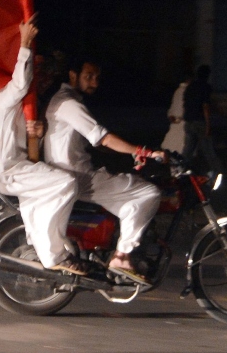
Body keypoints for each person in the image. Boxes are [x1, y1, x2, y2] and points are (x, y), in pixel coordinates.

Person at [0, 16, 86, 275]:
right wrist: (25, 41)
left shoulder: (22, 107)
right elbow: (21, 81)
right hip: (6, 170)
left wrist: (38, 131)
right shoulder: (7, 96)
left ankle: (41, 241)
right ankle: (53, 253)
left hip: (15, 168)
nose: (43, 79)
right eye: (39, 72)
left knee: (55, 186)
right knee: (65, 183)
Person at [44, 57, 165, 283]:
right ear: (73, 75)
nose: (94, 83)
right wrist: (145, 152)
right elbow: (103, 138)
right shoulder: (69, 104)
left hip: (74, 172)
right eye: (88, 76)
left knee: (131, 190)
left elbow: (94, 142)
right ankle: (122, 256)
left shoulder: (67, 101)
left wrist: (130, 153)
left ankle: (117, 248)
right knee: (149, 193)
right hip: (77, 176)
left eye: (97, 78)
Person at [182, 65, 223, 179]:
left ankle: (181, 170)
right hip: (199, 121)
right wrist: (208, 125)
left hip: (189, 121)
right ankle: (217, 172)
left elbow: (185, 105)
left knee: (188, 149)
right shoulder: (206, 87)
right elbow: (205, 106)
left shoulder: (190, 87)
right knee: (208, 149)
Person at [162, 77, 188, 154]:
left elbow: (173, 105)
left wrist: (170, 114)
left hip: (176, 119)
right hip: (181, 120)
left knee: (174, 143)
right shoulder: (186, 91)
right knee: (181, 144)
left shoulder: (178, 91)